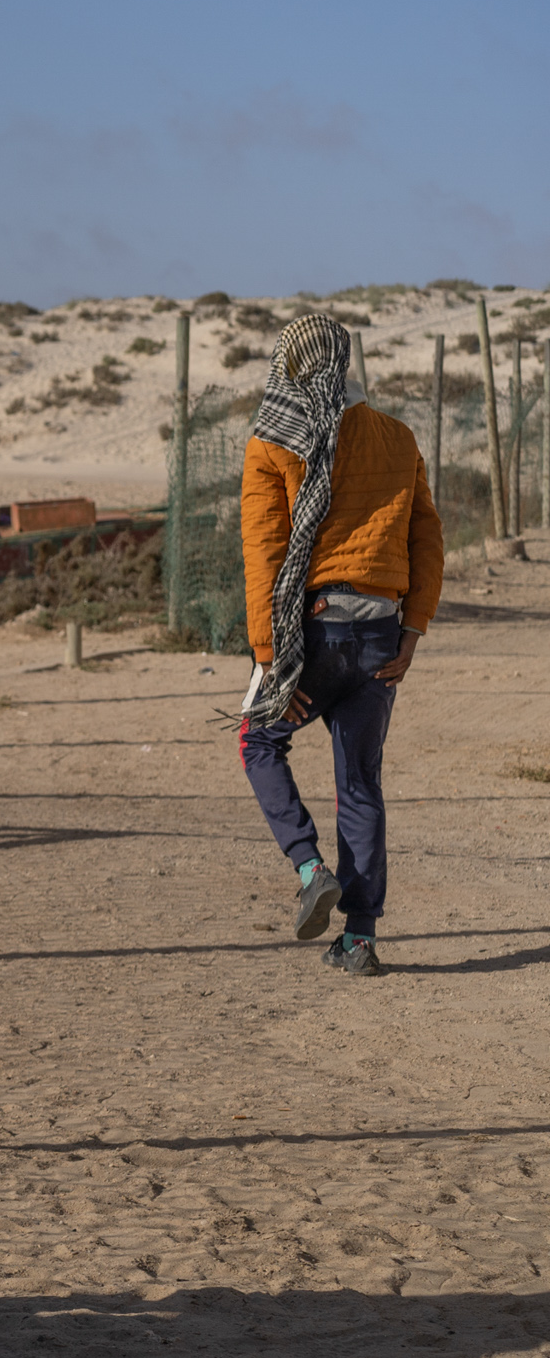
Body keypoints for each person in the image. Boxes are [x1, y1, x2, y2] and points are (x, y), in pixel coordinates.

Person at [237, 314, 441, 978]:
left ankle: (308, 867)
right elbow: (426, 542)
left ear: (289, 366)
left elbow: (265, 551)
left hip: (314, 634)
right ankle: (359, 938)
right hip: (382, 635)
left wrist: (272, 658)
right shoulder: (398, 435)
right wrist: (412, 633)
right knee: (360, 784)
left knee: (258, 742)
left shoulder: (275, 440)